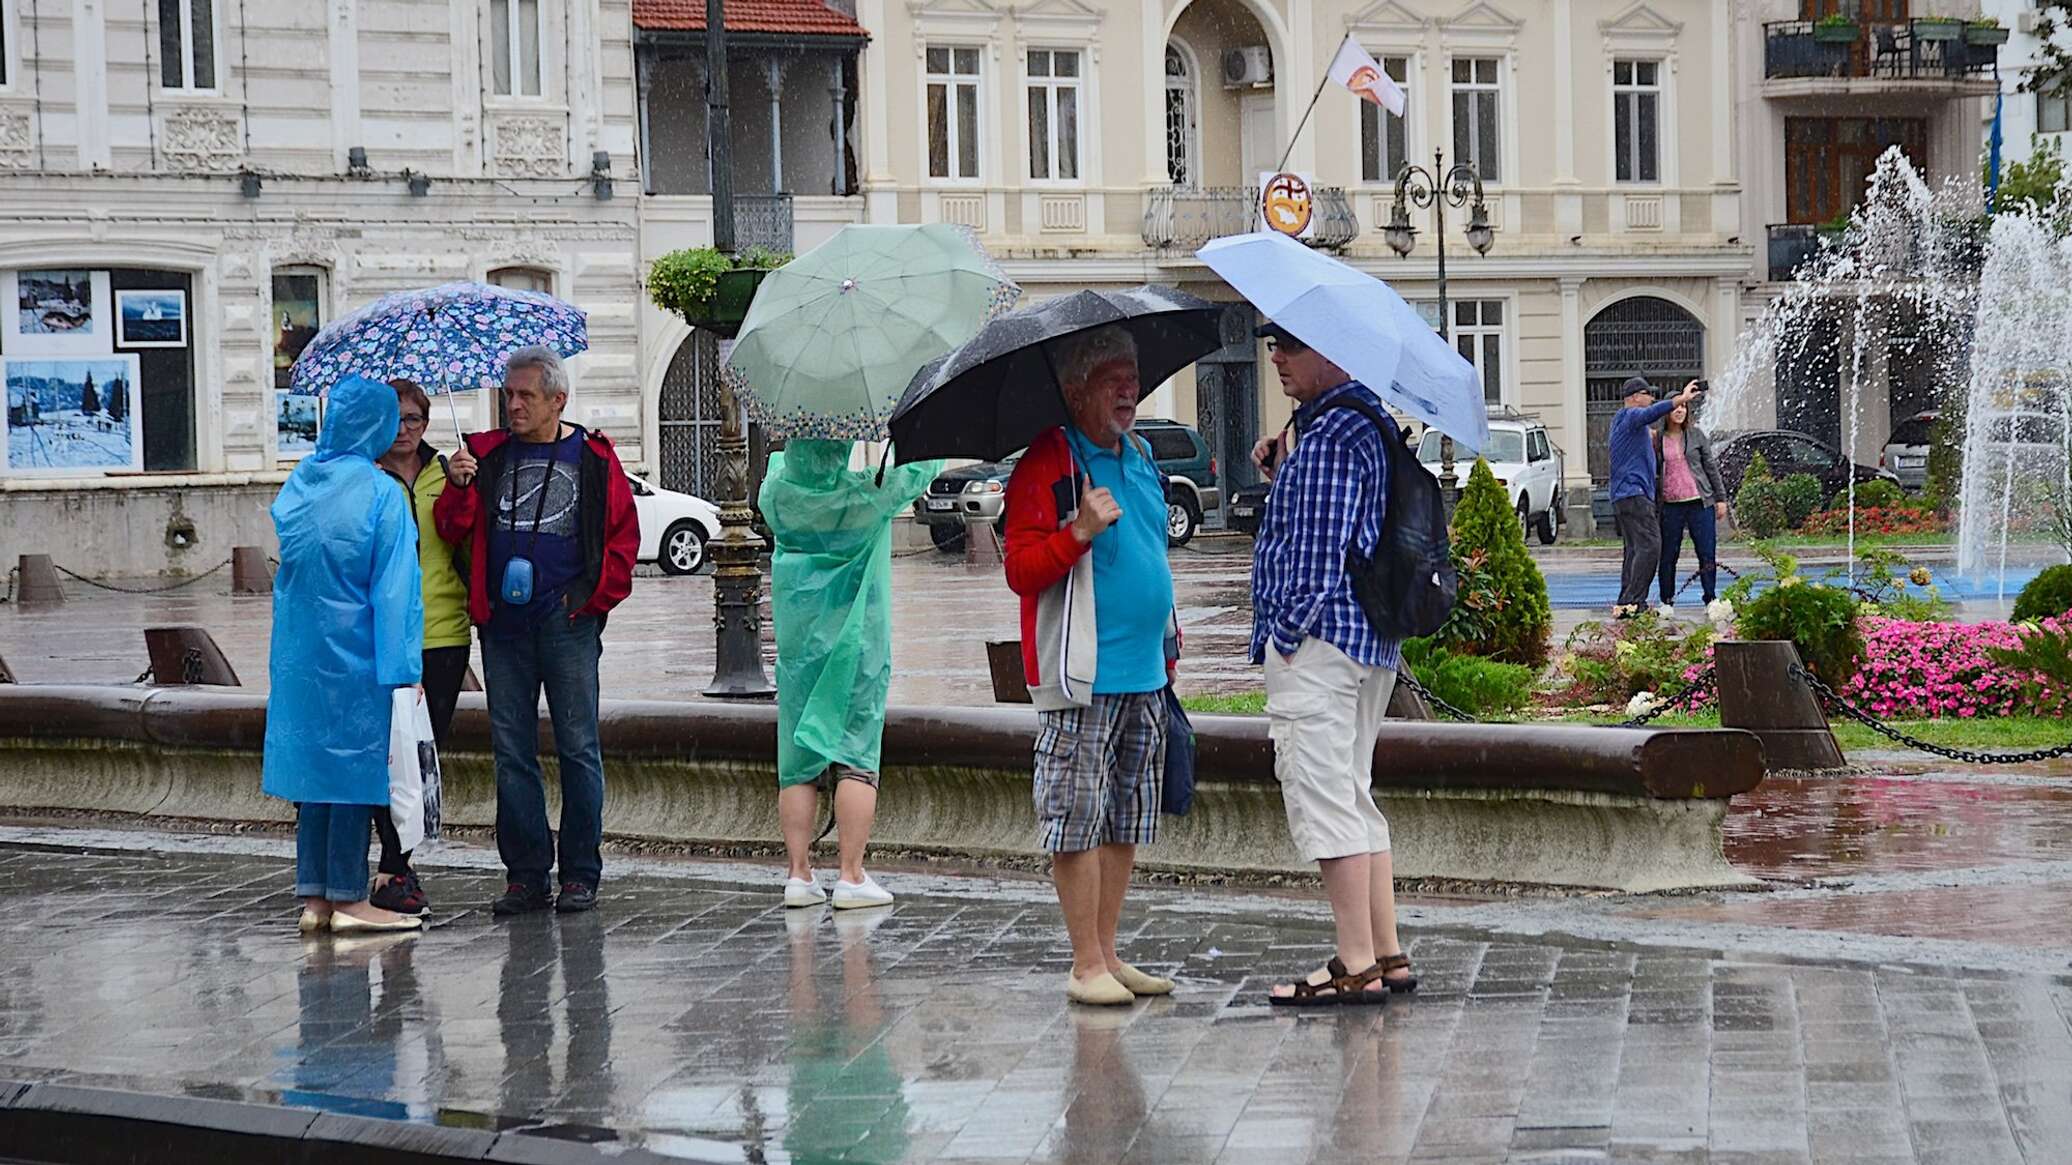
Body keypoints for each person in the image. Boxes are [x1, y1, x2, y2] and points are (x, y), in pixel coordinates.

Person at [1002, 326, 1179, 1007]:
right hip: (1082, 674)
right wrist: (1076, 532)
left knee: (1125, 815)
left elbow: (1150, 552)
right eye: (1112, 375)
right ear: (1076, 390)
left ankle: (1107, 951)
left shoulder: (1137, 455)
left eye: (1132, 372)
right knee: (1077, 814)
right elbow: (1020, 568)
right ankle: (1083, 963)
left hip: (1144, 671)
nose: (1129, 386)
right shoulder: (1050, 461)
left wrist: (1169, 628)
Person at [434, 346, 639, 917]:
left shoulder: (594, 456)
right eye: (509, 394)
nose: (514, 405)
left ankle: (579, 873)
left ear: (558, 399)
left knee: (578, 747)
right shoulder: (484, 455)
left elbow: (623, 539)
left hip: (566, 622)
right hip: (502, 624)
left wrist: (591, 604)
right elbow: (451, 530)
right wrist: (457, 486)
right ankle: (525, 874)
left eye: (525, 395)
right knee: (511, 750)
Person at [1246, 322, 1412, 1006]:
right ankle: (1385, 951)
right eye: (1272, 344)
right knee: (1353, 794)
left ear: (1336, 350)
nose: (1277, 356)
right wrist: (1284, 469)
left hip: (1321, 645)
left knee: (1323, 796)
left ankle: (1354, 961)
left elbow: (1314, 556)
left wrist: (1286, 634)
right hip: (1367, 641)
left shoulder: (1331, 437)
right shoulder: (1365, 420)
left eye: (1291, 343)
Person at [262, 373, 424, 935]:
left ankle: (314, 899)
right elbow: (396, 591)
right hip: (357, 656)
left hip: (299, 654)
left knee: (314, 777)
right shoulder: (382, 494)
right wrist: (404, 670)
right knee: (356, 772)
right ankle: (351, 899)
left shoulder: (302, 480)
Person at [760, 439, 943, 910]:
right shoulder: (866, 496)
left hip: (799, 647)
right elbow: (921, 467)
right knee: (856, 754)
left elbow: (777, 465)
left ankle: (799, 875)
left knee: (798, 759)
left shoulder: (777, 493)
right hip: (857, 645)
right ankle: (851, 875)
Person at [368, 379, 473, 916]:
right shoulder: (365, 475)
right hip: (386, 637)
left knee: (426, 753)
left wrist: (459, 487)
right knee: (393, 754)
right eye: (394, 419)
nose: (404, 430)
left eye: (413, 419)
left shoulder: (446, 469)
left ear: (427, 422)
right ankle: (395, 868)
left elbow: (463, 539)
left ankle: (396, 865)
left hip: (444, 631)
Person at [1608, 376, 1699, 618]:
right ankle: (1635, 602)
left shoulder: (1623, 422)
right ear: (1635, 397)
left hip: (1624, 495)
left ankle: (1626, 601)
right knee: (1650, 545)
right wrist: (1681, 398)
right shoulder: (1631, 415)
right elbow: (1651, 413)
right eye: (1648, 394)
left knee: (1634, 548)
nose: (1651, 398)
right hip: (1634, 494)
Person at [1653, 395, 1730, 617]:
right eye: (1676, 407)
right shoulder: (1658, 439)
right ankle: (1666, 601)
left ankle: (1710, 598)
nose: (1680, 411)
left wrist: (1720, 498)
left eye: (1684, 407)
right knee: (1669, 554)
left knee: (1706, 552)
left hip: (1700, 502)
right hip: (1671, 505)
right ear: (1667, 411)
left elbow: (1711, 467)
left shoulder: (1696, 435)